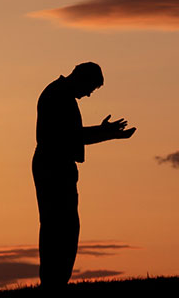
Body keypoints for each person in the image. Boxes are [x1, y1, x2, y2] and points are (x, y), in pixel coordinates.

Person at [31, 62, 135, 290]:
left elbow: (73, 136)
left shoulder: (59, 94)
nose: (88, 94)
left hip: (56, 165)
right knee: (59, 227)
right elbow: (70, 137)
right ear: (81, 78)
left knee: (61, 226)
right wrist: (107, 133)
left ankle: (54, 282)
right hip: (53, 166)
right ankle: (53, 283)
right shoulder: (58, 96)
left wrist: (104, 131)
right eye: (91, 88)